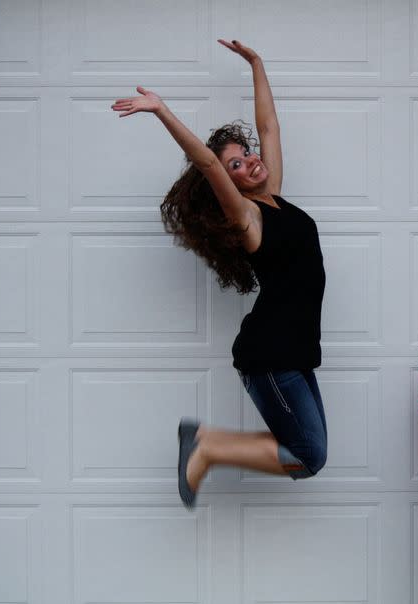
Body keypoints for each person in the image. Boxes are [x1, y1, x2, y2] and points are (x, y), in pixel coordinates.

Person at [112, 39, 327, 510]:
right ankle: (206, 446)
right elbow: (206, 163)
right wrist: (162, 111)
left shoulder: (275, 196)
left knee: (311, 453)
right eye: (237, 165)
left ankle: (207, 443)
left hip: (293, 350)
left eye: (246, 154)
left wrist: (257, 64)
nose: (250, 160)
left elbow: (269, 125)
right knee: (310, 456)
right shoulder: (246, 217)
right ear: (228, 184)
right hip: (271, 355)